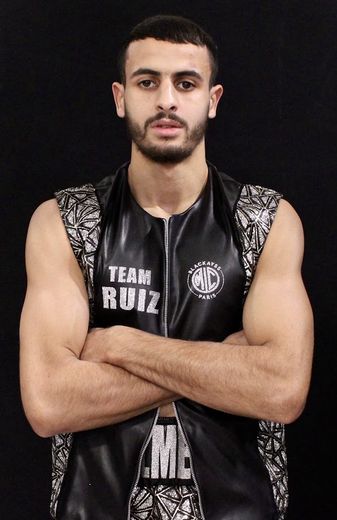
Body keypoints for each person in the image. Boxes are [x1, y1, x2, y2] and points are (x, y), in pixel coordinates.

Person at [19, 14, 314, 520]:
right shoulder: (65, 222)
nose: (167, 100)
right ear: (120, 97)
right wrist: (223, 366)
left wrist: (120, 345)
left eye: (186, 82)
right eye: (147, 81)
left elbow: (282, 389)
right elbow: (49, 402)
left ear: (213, 100)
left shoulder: (266, 220)